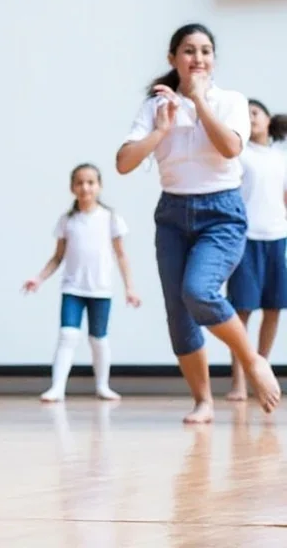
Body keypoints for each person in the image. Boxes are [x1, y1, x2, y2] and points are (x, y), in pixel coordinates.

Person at [115, 23, 281, 423]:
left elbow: (229, 148)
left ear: (214, 61)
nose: (198, 58)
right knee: (179, 313)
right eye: (189, 51)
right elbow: (123, 163)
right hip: (172, 214)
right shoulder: (155, 105)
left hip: (221, 214)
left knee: (198, 291)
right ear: (173, 59)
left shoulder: (231, 101)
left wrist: (200, 102)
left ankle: (252, 360)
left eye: (206, 51)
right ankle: (203, 400)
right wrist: (161, 129)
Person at [22, 163, 140, 402]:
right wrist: (39, 278)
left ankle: (102, 385)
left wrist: (130, 288)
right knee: (67, 335)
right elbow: (57, 257)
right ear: (72, 187)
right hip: (73, 288)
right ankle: (57, 387)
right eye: (80, 183)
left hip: (101, 289)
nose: (85, 187)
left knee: (98, 339)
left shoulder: (110, 219)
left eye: (90, 182)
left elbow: (121, 255)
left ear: (99, 186)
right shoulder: (67, 221)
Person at [225, 100, 287, 401]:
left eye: (255, 112)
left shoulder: (280, 157)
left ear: (267, 118)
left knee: (274, 308)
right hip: (245, 240)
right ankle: (239, 381)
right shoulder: (240, 155)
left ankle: (261, 369)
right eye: (245, 115)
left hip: (277, 239)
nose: (251, 118)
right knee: (241, 311)